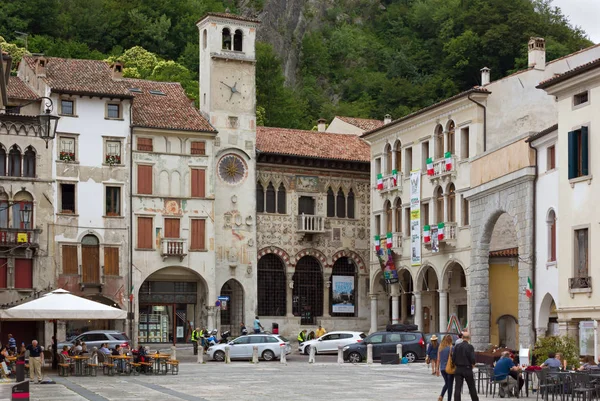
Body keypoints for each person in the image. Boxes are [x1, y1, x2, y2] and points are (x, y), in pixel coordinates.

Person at [452, 332, 479, 401]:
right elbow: (472, 358)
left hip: (458, 368)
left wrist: (455, 364)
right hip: (467, 368)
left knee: (457, 388)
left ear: (462, 338)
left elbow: (453, 358)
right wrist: (473, 364)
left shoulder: (457, 346)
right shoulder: (470, 347)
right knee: (471, 387)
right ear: (469, 338)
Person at [437, 334, 454, 401]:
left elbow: (438, 359)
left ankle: (441, 396)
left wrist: (437, 369)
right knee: (450, 385)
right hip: (449, 368)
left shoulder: (440, 347)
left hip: (442, 368)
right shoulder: (451, 348)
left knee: (447, 383)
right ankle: (448, 399)